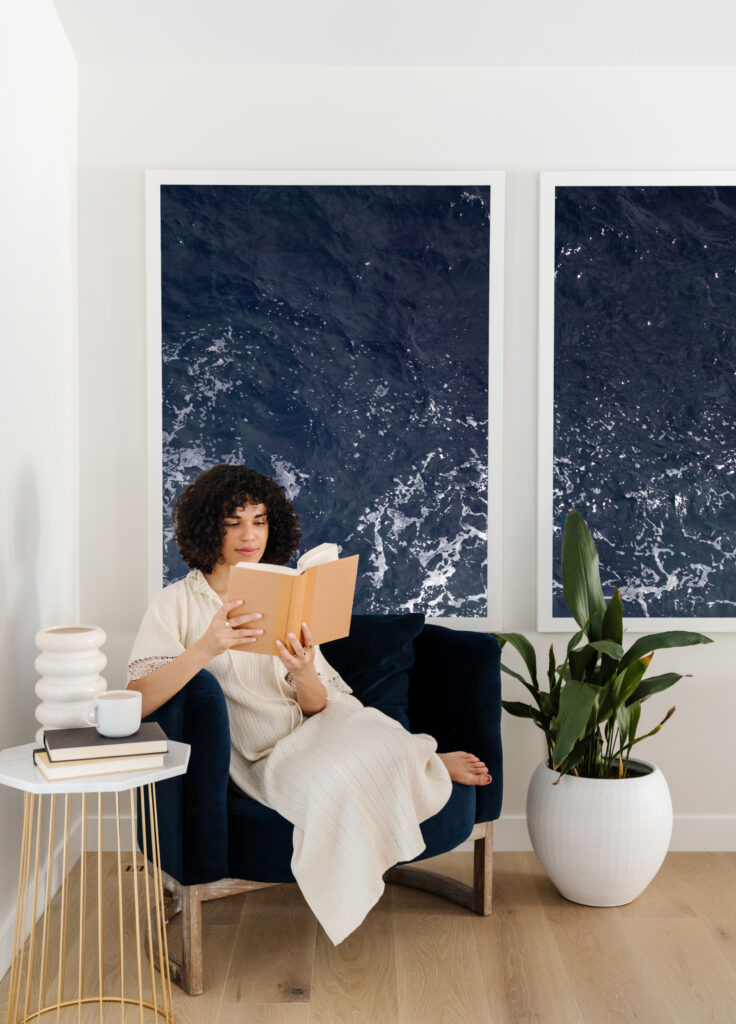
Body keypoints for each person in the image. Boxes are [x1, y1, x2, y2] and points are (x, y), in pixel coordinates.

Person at [127, 463, 491, 944]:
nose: (247, 534)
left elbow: (318, 705)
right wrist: (207, 647)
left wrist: (301, 672)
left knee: (384, 737)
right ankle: (425, 764)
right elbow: (137, 700)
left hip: (317, 724)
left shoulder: (282, 590)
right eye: (232, 522)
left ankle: (423, 759)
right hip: (264, 754)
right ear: (207, 527)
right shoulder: (174, 604)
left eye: (258, 520)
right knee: (333, 783)